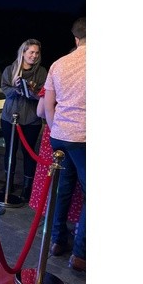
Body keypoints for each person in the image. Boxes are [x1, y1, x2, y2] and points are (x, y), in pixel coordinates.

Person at [45, 18, 86, 271]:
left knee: (63, 190)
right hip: (84, 137)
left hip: (60, 135)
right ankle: (80, 254)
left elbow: (49, 105)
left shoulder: (58, 63)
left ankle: (57, 241)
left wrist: (56, 129)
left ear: (76, 39)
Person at [0, 39, 47, 200]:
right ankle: (8, 183)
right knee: (10, 150)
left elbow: (43, 95)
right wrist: (16, 89)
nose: (34, 55)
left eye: (37, 53)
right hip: (9, 117)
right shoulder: (10, 69)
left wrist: (31, 91)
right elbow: (5, 89)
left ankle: (27, 187)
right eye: (31, 52)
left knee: (29, 152)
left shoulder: (42, 72)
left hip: (31, 119)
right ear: (23, 52)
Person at [30, 89, 84, 222]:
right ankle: (76, 221)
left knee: (51, 177)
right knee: (74, 180)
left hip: (53, 132)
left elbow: (40, 111)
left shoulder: (54, 82)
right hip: (78, 135)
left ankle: (50, 218)